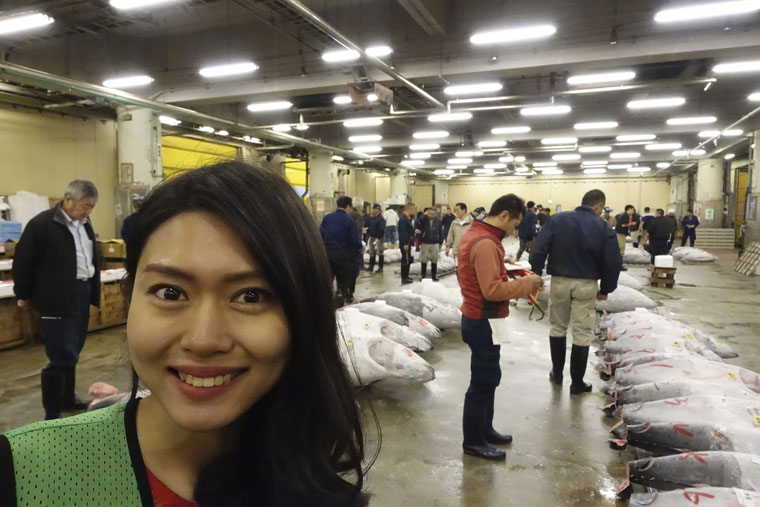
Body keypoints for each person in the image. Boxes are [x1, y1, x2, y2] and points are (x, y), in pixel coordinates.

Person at [0, 162, 371, 506]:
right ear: (132, 301)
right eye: (170, 292)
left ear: (304, 313)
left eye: (250, 296)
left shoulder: (315, 481)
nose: (203, 340)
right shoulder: (24, 475)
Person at [457, 195, 543, 461]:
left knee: (490, 377)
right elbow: (492, 290)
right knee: (482, 382)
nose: (515, 230)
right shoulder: (485, 243)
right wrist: (529, 284)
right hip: (482, 321)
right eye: (515, 224)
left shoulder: (480, 234)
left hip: (487, 320)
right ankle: (473, 441)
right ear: (504, 216)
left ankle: (485, 429)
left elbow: (487, 276)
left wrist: (509, 271)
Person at [12, 180, 101, 421]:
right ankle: (52, 412)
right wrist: (23, 293)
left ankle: (67, 400)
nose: (88, 211)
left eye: (91, 207)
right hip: (56, 296)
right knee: (60, 354)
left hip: (81, 293)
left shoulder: (84, 224)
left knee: (73, 350)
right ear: (68, 199)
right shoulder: (42, 224)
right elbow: (23, 261)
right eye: (85, 206)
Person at [530, 189, 622, 394]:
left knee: (557, 327)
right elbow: (613, 262)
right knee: (582, 332)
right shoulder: (604, 227)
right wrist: (606, 288)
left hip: (559, 282)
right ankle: (577, 383)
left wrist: (536, 273)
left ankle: (557, 373)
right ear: (598, 206)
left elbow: (538, 249)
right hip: (587, 285)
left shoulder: (557, 220)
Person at [320, 196, 362, 306]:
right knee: (342, 281)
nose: (351, 210)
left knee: (328, 279)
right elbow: (354, 240)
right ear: (348, 206)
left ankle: (326, 302)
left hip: (326, 254)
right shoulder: (349, 220)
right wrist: (360, 246)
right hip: (342, 256)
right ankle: (340, 303)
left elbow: (320, 234)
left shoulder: (327, 218)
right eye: (350, 207)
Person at [417, 207, 444, 281]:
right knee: (424, 260)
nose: (431, 215)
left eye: (433, 214)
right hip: (425, 242)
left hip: (435, 243)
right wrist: (424, 215)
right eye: (429, 213)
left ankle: (434, 275)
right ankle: (423, 275)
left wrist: (440, 242)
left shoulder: (438, 221)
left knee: (434, 260)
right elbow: (417, 220)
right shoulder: (423, 220)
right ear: (427, 213)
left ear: (435, 214)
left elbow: (441, 232)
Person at [398, 203, 417, 285]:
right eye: (414, 209)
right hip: (405, 243)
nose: (415, 211)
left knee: (408, 259)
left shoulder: (408, 219)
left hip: (409, 243)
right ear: (409, 209)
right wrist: (405, 243)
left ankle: (406, 276)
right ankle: (404, 277)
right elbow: (403, 232)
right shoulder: (403, 220)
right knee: (405, 259)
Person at [615, 205, 638, 271]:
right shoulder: (625, 215)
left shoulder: (626, 215)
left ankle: (619, 265)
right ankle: (619, 266)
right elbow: (623, 225)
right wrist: (631, 224)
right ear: (629, 209)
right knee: (621, 250)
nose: (633, 211)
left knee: (621, 250)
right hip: (620, 234)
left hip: (622, 234)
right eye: (632, 210)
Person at [365, 204, 386, 273]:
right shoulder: (373, 218)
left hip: (378, 238)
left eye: (374, 209)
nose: (373, 210)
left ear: (378, 210)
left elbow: (382, 229)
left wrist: (378, 237)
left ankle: (380, 268)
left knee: (380, 252)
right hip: (372, 237)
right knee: (372, 252)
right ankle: (371, 267)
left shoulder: (381, 219)